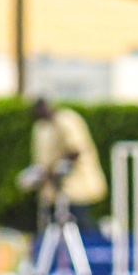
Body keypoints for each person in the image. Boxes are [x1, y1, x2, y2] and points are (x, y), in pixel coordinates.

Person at [30, 97, 108, 230]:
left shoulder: (66, 120)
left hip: (76, 186)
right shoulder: (42, 127)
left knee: (79, 223)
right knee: (54, 223)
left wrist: (56, 169)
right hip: (55, 189)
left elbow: (76, 150)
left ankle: (103, 231)